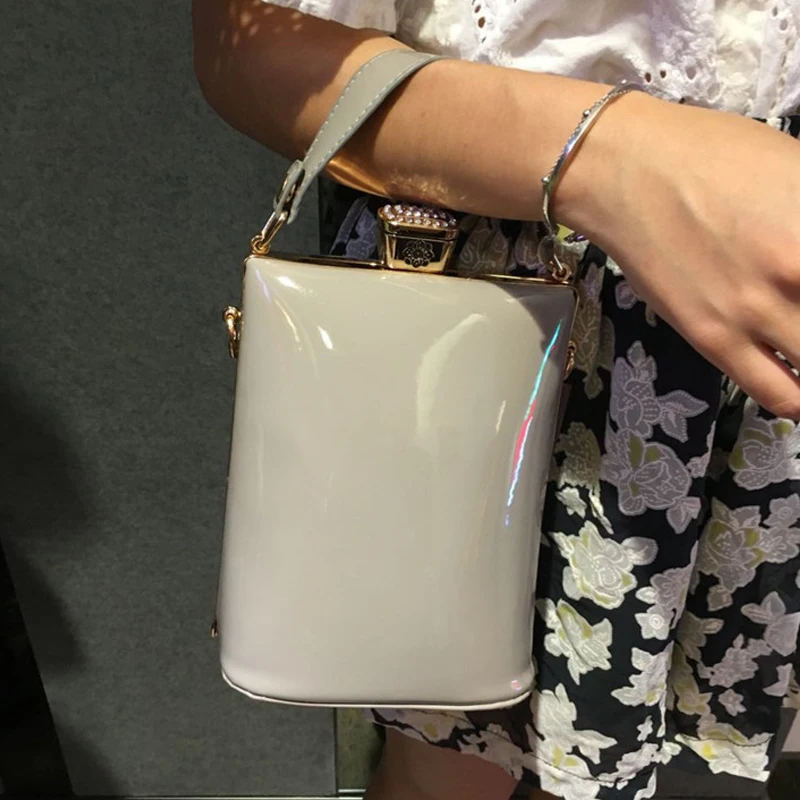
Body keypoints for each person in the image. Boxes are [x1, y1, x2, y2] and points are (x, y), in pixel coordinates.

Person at [191, 2, 800, 798]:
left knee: (597, 752)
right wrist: (619, 159)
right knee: (449, 760)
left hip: (750, 325)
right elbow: (246, 49)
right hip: (482, 308)